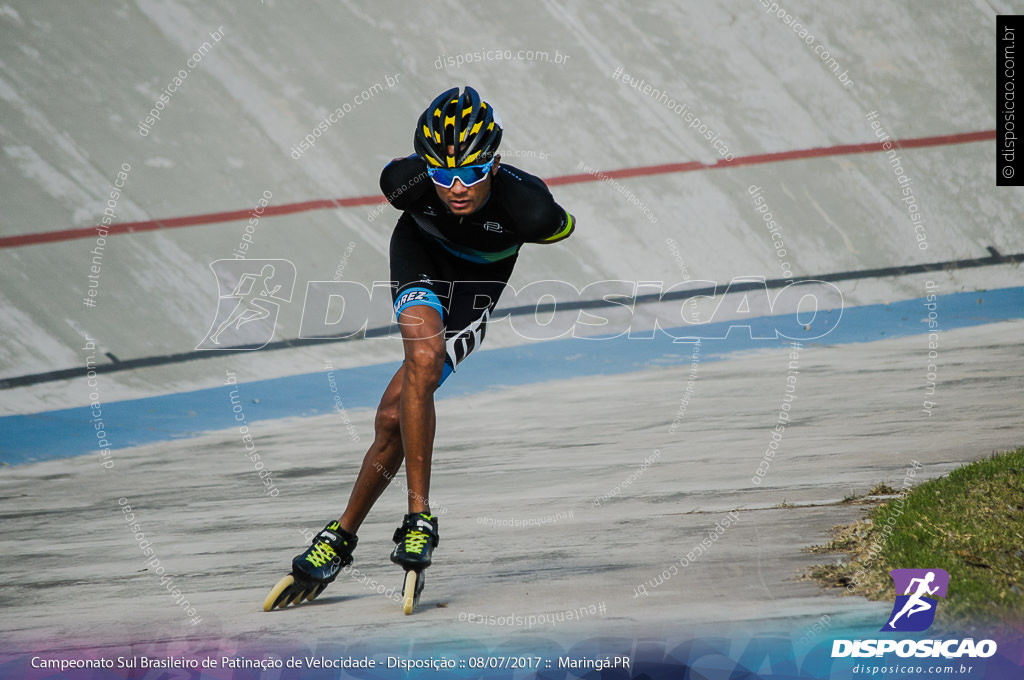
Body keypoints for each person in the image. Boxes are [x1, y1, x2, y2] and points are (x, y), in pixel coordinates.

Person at [267, 86, 575, 609]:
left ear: (494, 166)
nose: (457, 188)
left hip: (474, 290)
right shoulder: (404, 184)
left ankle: (339, 538)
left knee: (392, 417)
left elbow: (562, 226)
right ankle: (419, 516)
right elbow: (413, 173)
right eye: (443, 175)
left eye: (472, 174)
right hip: (420, 257)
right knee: (424, 359)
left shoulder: (533, 209)